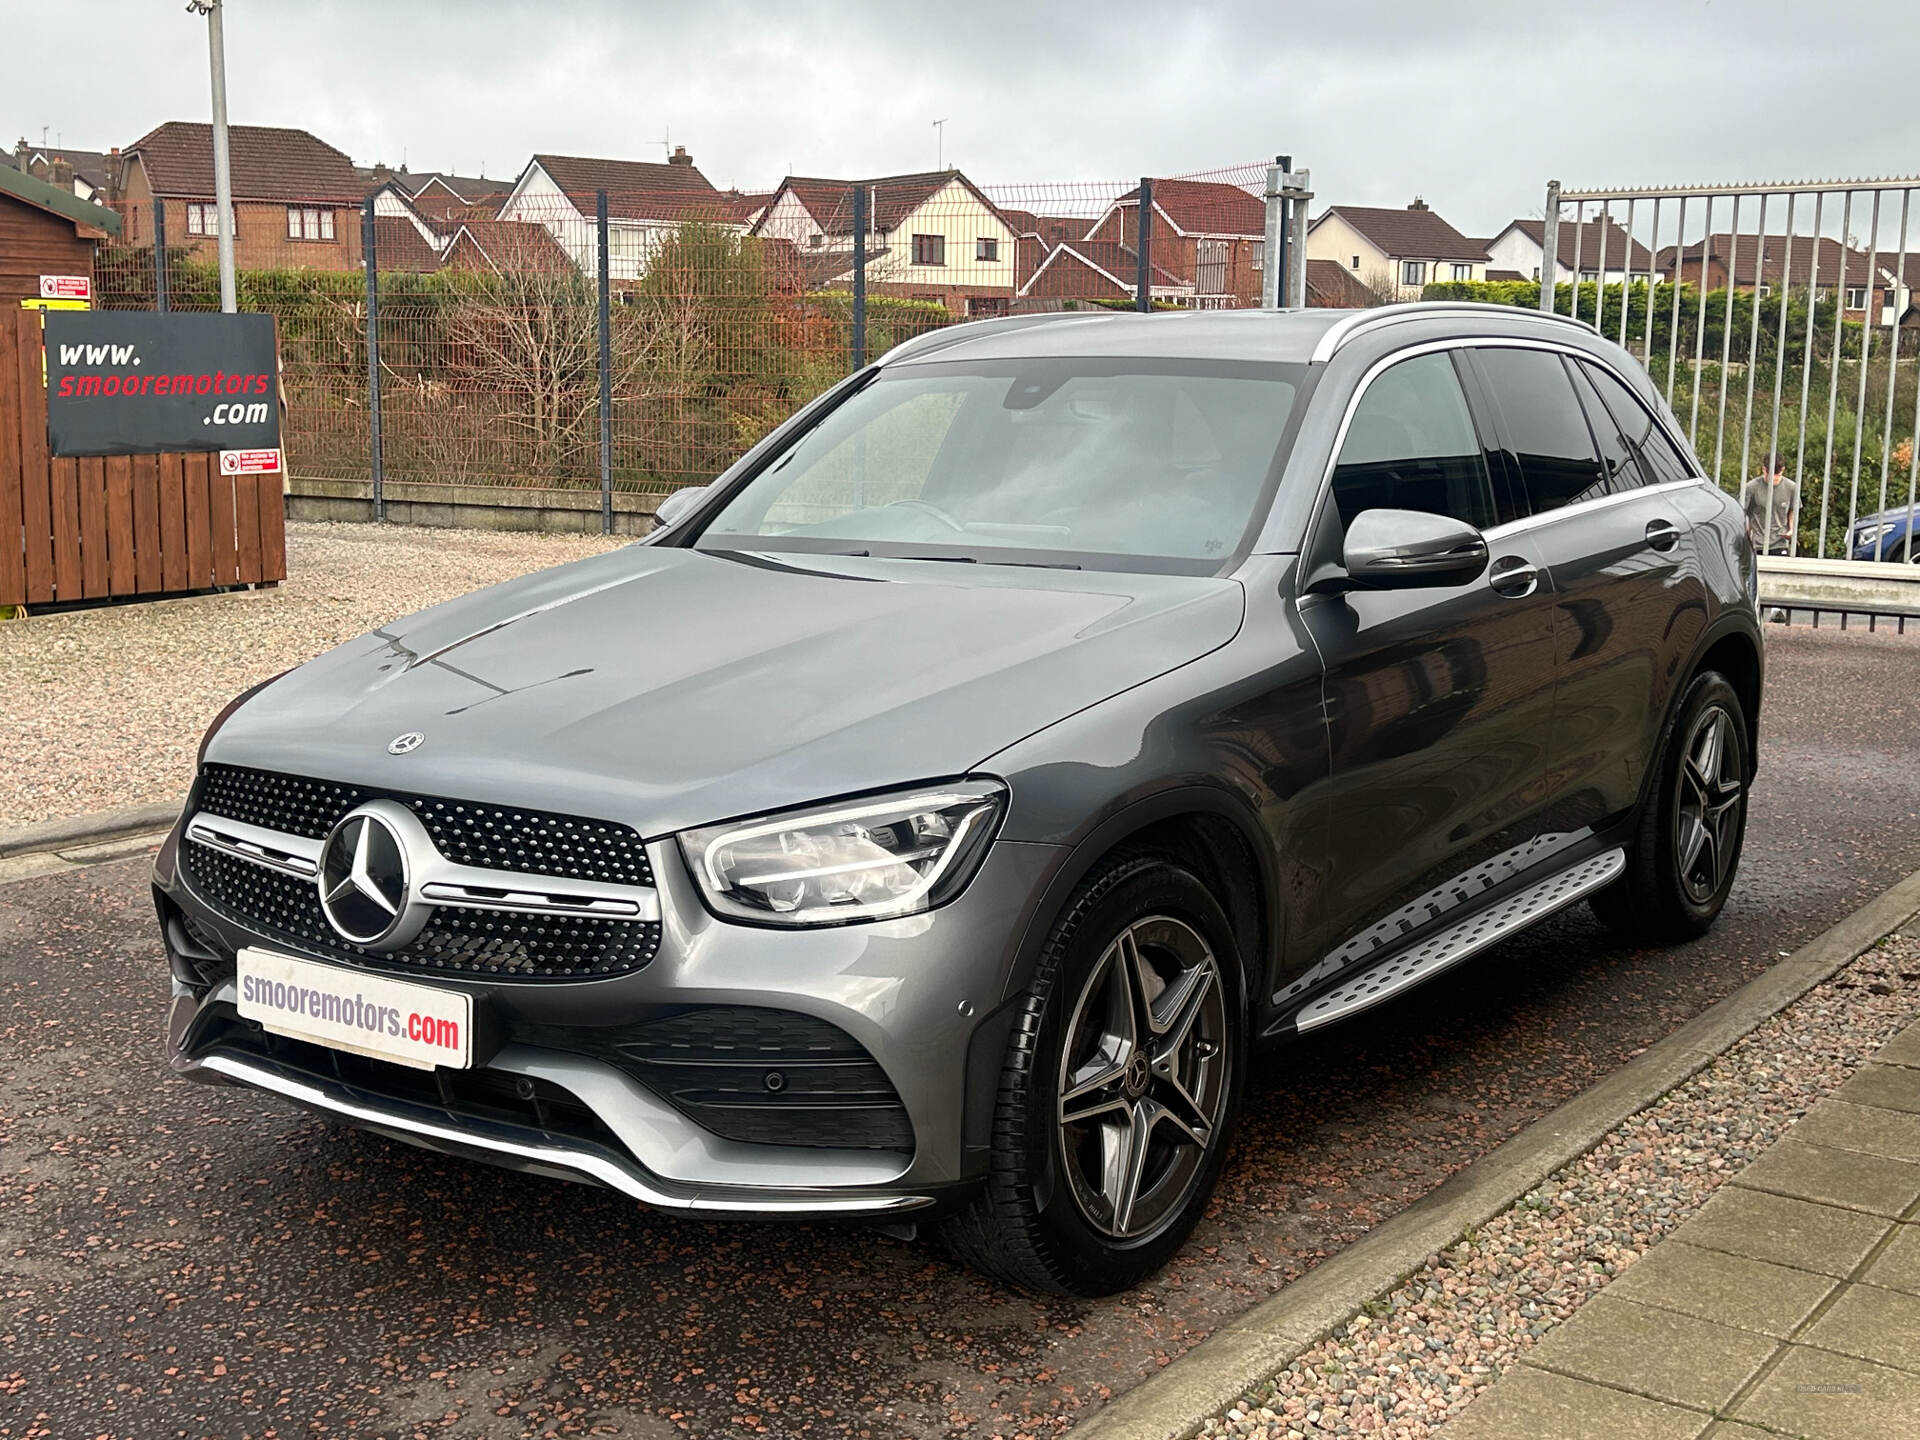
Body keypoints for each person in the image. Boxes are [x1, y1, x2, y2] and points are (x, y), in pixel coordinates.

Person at [1741, 452, 1799, 556]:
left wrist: (1791, 529)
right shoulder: (1751, 487)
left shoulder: (1791, 488)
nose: (1774, 479)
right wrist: (1746, 535)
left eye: (1778, 476)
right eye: (1771, 476)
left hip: (1780, 543)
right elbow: (1742, 513)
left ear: (1783, 470)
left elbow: (1793, 510)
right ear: (1764, 469)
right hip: (1757, 543)